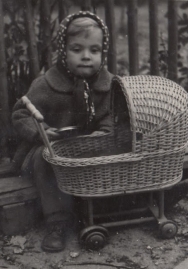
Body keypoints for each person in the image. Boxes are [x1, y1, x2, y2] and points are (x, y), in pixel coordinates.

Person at [12, 11, 114, 252]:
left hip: (87, 148)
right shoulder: (47, 84)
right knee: (46, 161)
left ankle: (124, 204)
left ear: (103, 52)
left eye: (94, 50)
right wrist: (42, 132)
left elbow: (112, 114)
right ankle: (57, 223)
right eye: (77, 49)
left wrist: (104, 131)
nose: (86, 57)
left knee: (115, 156)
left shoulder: (108, 85)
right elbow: (21, 113)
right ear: (63, 50)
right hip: (47, 148)